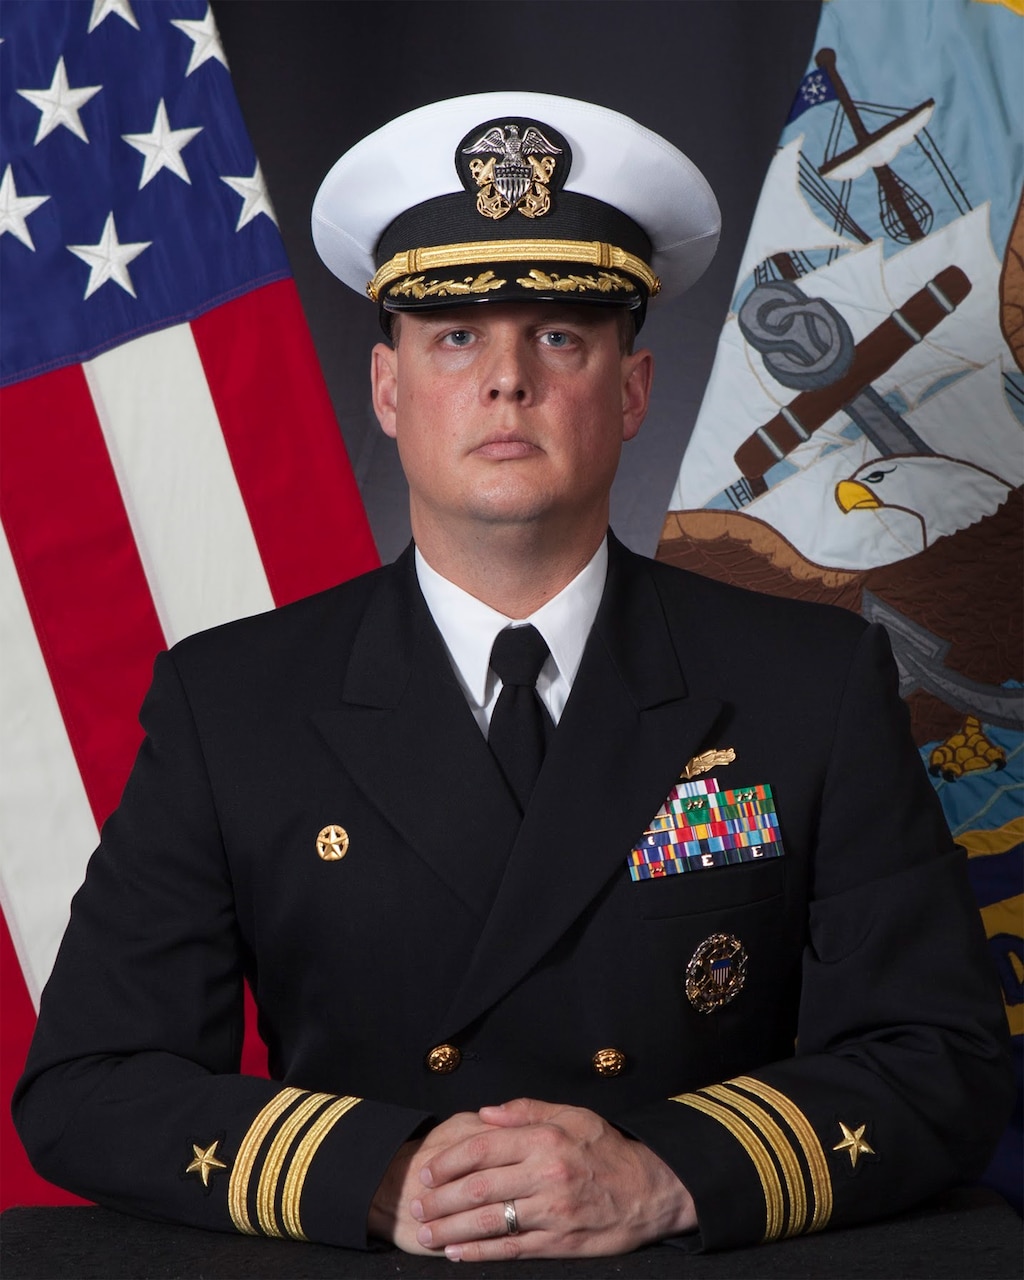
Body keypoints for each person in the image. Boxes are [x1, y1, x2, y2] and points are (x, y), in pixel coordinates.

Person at [13, 92, 1012, 1263]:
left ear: (631, 391)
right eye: (454, 336)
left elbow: (942, 1053)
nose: (507, 381)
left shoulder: (806, 681)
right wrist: (369, 1170)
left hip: (676, 1255)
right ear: (388, 393)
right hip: (380, 1255)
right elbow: (86, 1081)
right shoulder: (232, 701)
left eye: (558, 334)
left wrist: (664, 1172)